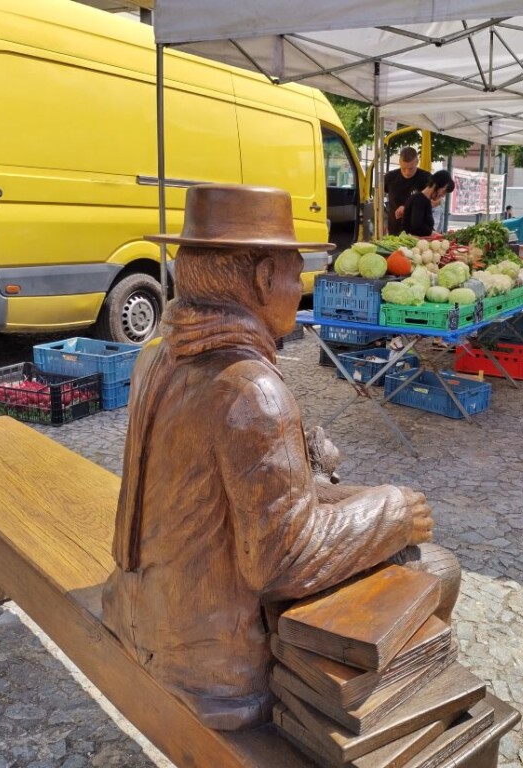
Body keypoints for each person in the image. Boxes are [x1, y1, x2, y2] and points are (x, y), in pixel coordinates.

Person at [103, 184, 454, 731]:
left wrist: (322, 481)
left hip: (136, 611)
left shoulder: (156, 354)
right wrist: (393, 510)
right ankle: (420, 735)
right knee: (436, 568)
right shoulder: (250, 390)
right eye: (296, 270)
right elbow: (283, 560)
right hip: (212, 668)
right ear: (264, 279)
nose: (301, 284)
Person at [384, 147, 431, 235]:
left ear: (417, 162)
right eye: (403, 168)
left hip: (418, 230)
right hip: (394, 229)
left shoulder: (426, 178)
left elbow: (437, 201)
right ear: (399, 162)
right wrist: (384, 220)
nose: (407, 172)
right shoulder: (389, 177)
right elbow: (378, 198)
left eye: (411, 168)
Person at [402, 170, 455, 237]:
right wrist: (434, 234)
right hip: (412, 243)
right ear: (436, 184)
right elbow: (417, 226)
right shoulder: (419, 200)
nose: (443, 195)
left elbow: (426, 226)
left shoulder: (425, 200)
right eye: (444, 191)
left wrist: (440, 235)